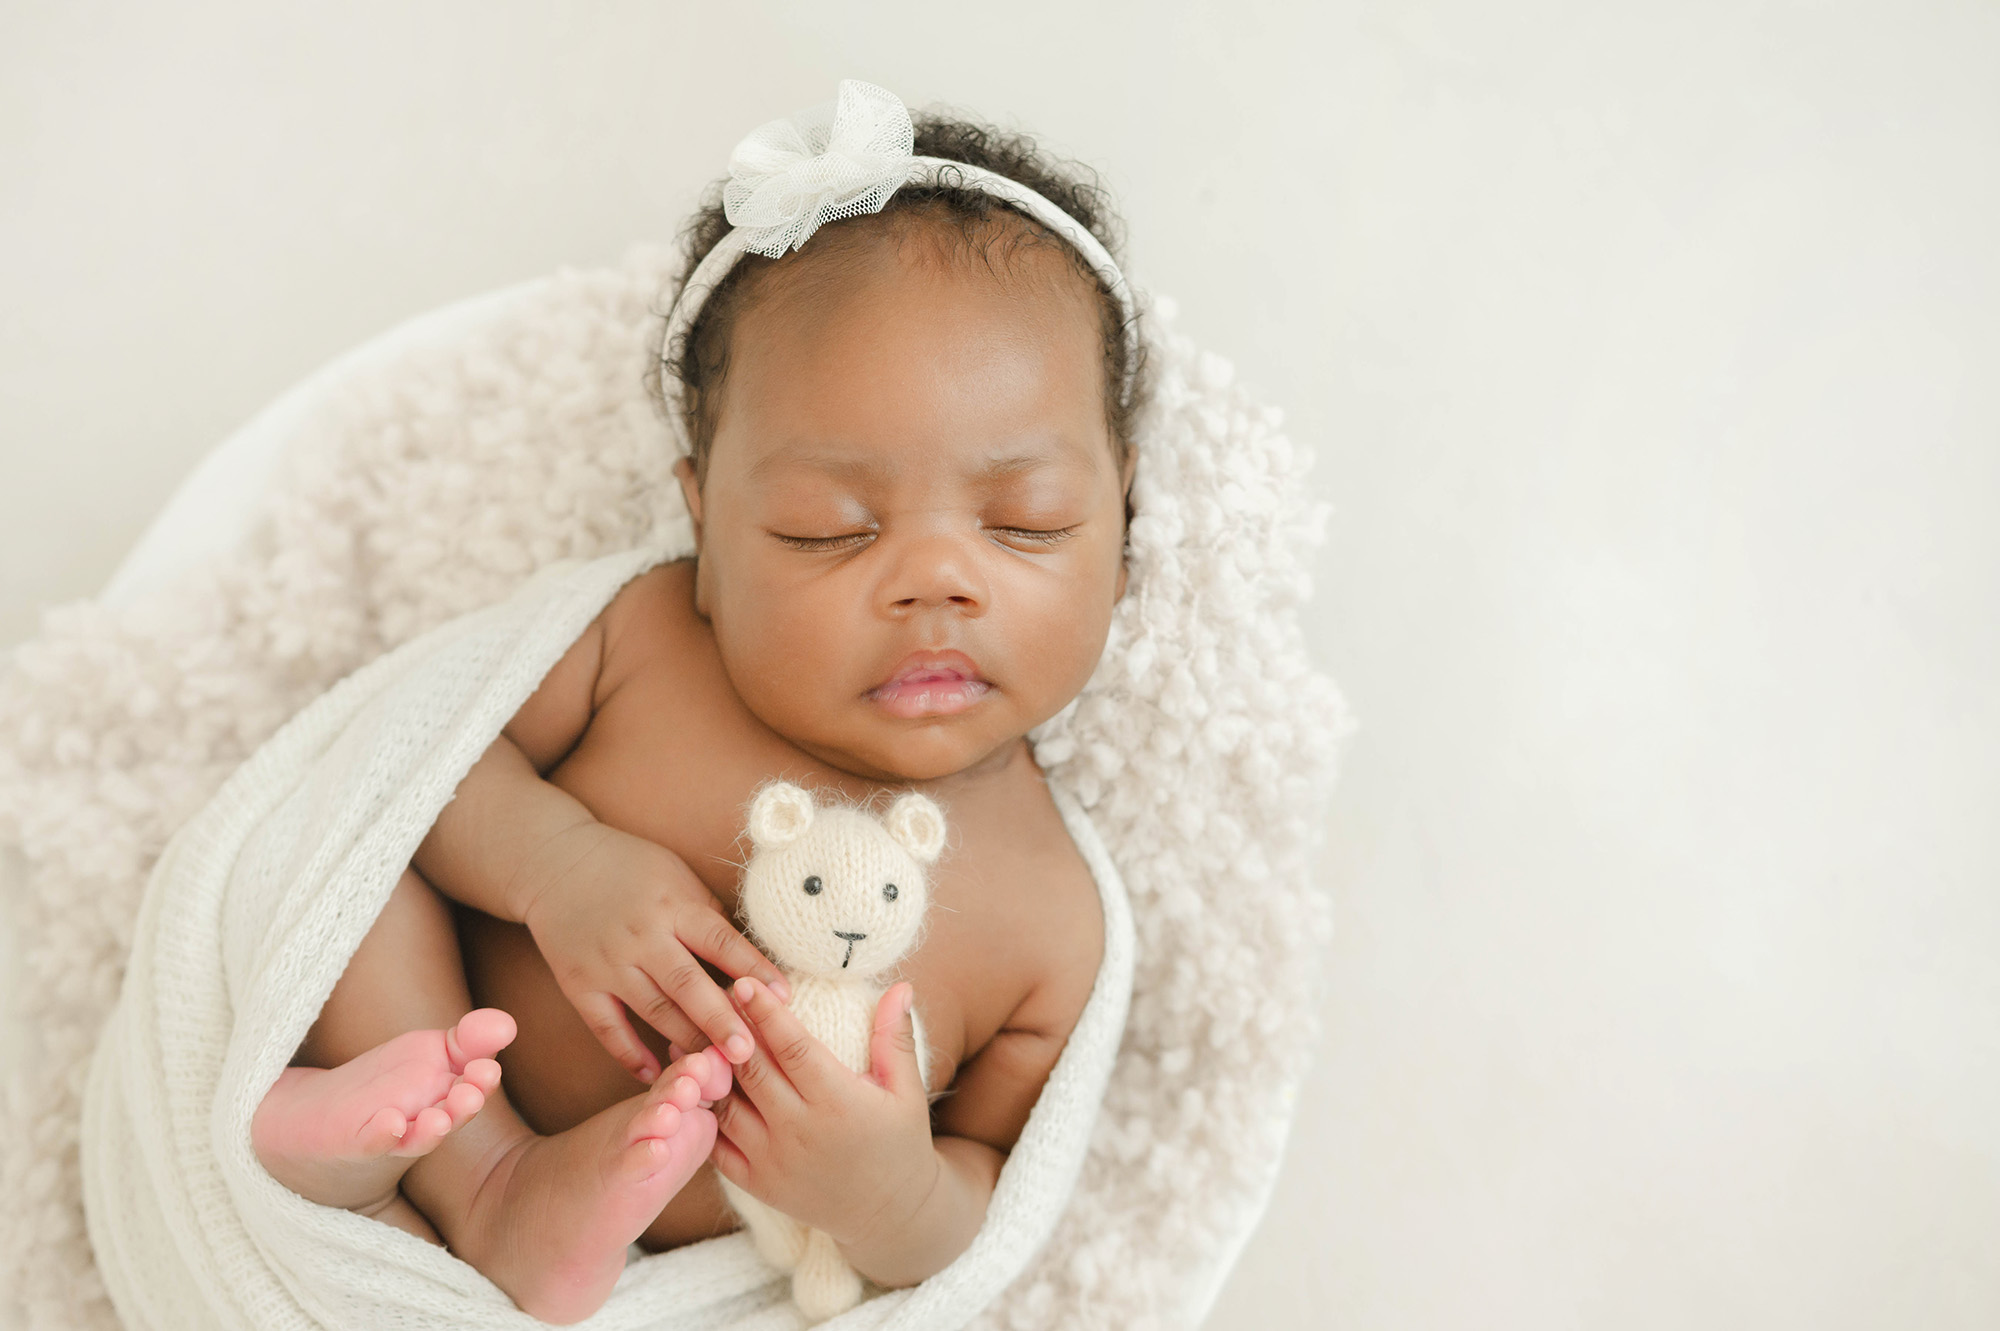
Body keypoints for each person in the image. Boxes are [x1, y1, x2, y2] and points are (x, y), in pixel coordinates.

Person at [249, 80, 1143, 1324]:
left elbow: (984, 1194)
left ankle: (371, 1177)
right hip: (451, 1060)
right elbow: (416, 770)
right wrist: (553, 864)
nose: (936, 580)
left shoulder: (1052, 916)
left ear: (1124, 511)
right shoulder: (646, 640)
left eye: (1024, 522)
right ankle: (435, 1173)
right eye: (828, 530)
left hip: (650, 1272)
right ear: (703, 521)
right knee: (345, 873)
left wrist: (888, 1192)